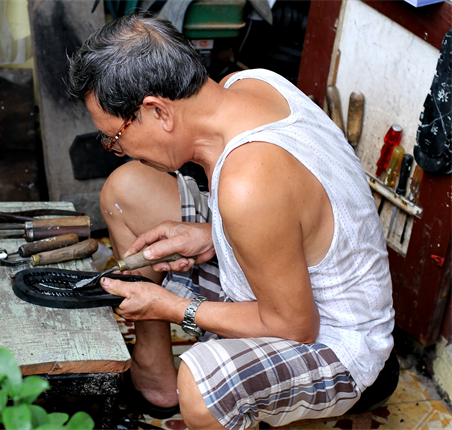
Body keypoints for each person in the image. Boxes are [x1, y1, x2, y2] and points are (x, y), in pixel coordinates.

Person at [67, 12, 394, 430]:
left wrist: (173, 308)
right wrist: (209, 234)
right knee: (126, 191)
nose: (122, 149)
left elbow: (294, 326)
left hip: (337, 342)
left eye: (116, 138)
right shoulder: (249, 84)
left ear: (157, 111)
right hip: (286, 280)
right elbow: (290, 216)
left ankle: (198, 393)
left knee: (205, 386)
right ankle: (155, 378)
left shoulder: (248, 183)